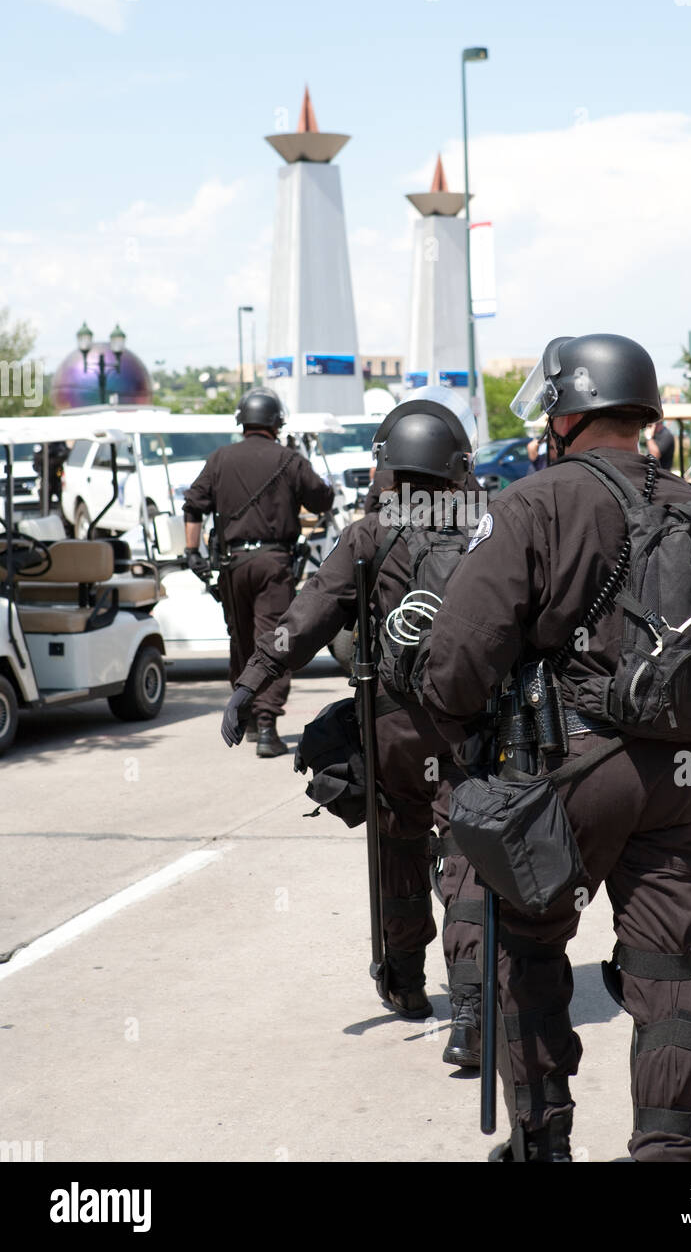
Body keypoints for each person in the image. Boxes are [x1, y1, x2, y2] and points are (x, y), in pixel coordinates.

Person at [422, 334, 691, 1162]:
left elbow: (461, 656)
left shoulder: (536, 502)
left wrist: (457, 737)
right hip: (687, 772)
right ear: (642, 412)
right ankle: (669, 1148)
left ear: (566, 414)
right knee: (665, 963)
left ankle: (543, 1141)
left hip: (566, 774)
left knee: (529, 955)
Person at [219, 387, 486, 1058]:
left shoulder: (369, 533)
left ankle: (405, 982)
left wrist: (252, 684)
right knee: (469, 857)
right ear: (455, 465)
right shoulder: (489, 525)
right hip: (472, 721)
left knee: (398, 848)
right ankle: (475, 1012)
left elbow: (304, 620)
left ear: (390, 466)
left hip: (394, 724)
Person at [183, 386, 334, 758]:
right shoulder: (289, 459)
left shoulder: (219, 458)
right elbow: (323, 500)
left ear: (243, 421)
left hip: (231, 564)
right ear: (276, 422)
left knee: (241, 639)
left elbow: (193, 505)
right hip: (274, 563)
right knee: (275, 640)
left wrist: (190, 551)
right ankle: (266, 727)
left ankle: (245, 716)